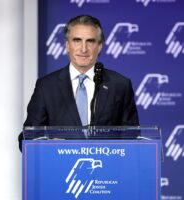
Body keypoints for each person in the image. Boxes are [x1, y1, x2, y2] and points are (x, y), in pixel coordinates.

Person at [19, 15, 139, 148]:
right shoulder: (46, 86)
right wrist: (49, 144)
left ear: (99, 47)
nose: (83, 49)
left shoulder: (120, 85)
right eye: (77, 40)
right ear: (67, 45)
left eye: (90, 41)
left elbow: (132, 138)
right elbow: (27, 138)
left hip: (108, 166)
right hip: (60, 166)